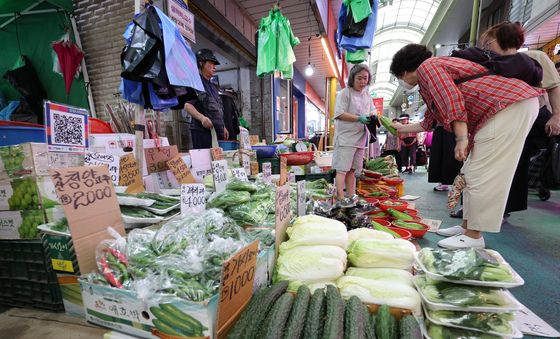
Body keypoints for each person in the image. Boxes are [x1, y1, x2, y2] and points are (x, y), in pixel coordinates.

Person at [390, 43, 542, 249]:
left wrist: (462, 139)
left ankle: (474, 236)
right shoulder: (429, 80)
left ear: (405, 69)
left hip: (507, 108)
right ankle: (466, 227)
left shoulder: (428, 67)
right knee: (470, 172)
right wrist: (399, 128)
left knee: (483, 173)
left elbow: (452, 99)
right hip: (501, 110)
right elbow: (429, 122)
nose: (401, 82)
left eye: (399, 76)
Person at [477, 23, 560, 215]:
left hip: (529, 118)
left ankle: (502, 209)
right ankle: (480, 209)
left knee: (515, 164)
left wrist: (556, 116)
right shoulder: (488, 62)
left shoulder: (534, 57)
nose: (487, 46)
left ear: (504, 39)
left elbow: (553, 87)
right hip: (499, 120)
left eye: (490, 41)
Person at [333, 64, 375, 201]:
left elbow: (372, 110)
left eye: (365, 79)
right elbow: (339, 113)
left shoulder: (367, 96)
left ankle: (351, 196)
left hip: (361, 138)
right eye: (359, 78)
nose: (363, 82)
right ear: (353, 78)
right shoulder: (345, 93)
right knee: (342, 169)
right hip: (346, 138)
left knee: (353, 170)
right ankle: (340, 197)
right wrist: (359, 118)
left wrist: (373, 114)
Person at [184, 49, 229, 149]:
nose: (214, 67)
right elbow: (187, 105)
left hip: (215, 132)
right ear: (201, 63)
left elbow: (217, 108)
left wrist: (223, 127)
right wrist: (202, 118)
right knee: (204, 163)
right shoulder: (196, 82)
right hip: (201, 132)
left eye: (215, 64)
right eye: (211, 63)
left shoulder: (213, 86)